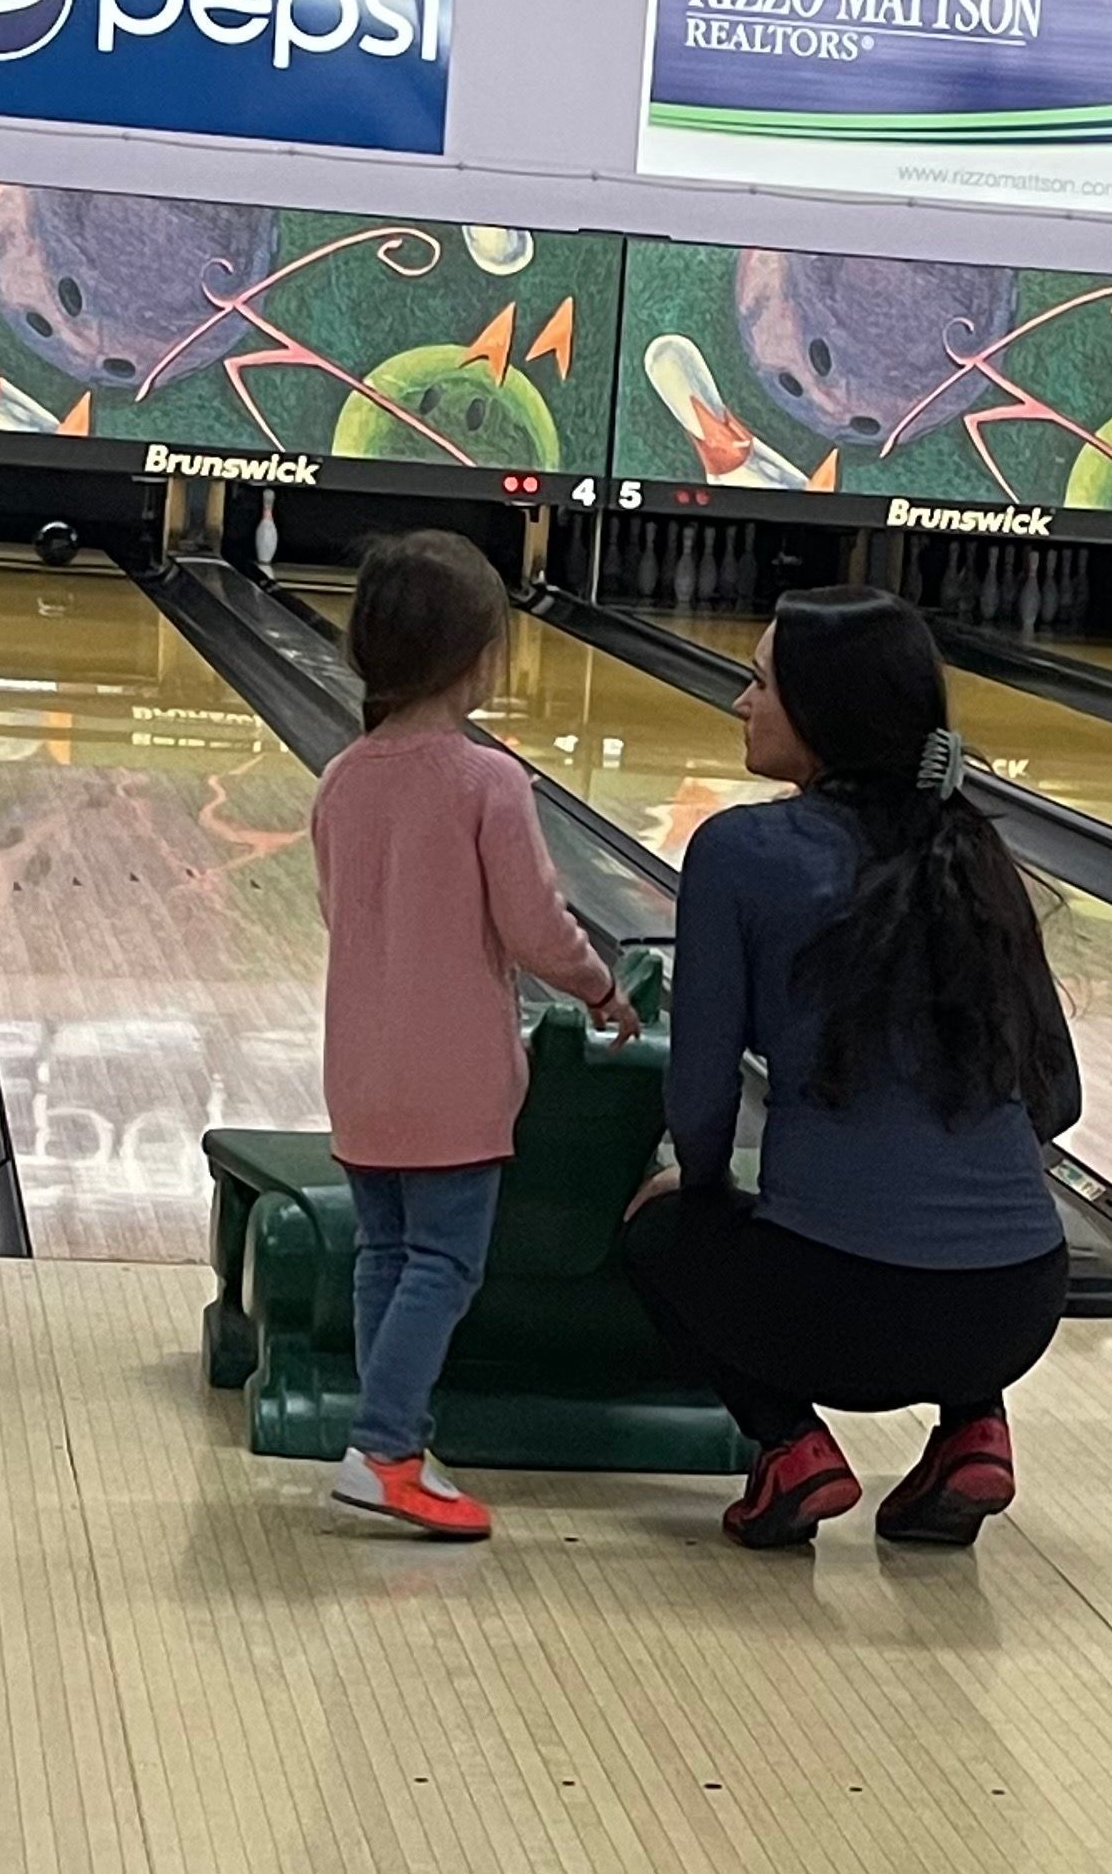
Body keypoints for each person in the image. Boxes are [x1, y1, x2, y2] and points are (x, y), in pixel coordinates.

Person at [624, 586, 1080, 1551]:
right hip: (1019, 1306)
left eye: (757, 684)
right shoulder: (973, 848)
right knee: (928, 1249)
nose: (738, 703)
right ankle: (973, 1433)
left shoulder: (740, 850)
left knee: (662, 1228)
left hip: (828, 1312)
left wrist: (696, 1192)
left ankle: (791, 1447)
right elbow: (1059, 1097)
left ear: (822, 712)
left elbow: (700, 1108)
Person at [313, 531, 639, 1538]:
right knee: (444, 1264)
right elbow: (533, 925)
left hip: (357, 1071)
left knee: (385, 1253)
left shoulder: (341, 777)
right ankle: (383, 1448)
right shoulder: (485, 782)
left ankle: (392, 1434)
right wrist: (598, 989)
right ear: (479, 657)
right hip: (451, 1080)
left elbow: (342, 915)